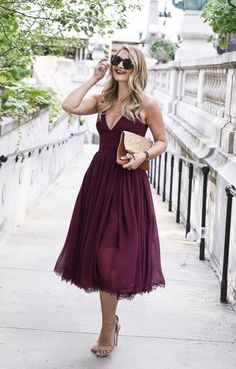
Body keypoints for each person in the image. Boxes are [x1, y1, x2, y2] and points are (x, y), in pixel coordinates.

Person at [54, 44, 168, 358]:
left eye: (126, 62)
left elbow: (162, 141)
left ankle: (107, 327)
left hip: (129, 185)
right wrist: (93, 77)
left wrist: (143, 155)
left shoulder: (147, 103)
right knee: (100, 252)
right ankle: (110, 323)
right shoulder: (103, 100)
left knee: (111, 257)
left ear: (137, 67)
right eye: (116, 60)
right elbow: (69, 105)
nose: (119, 65)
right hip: (99, 181)